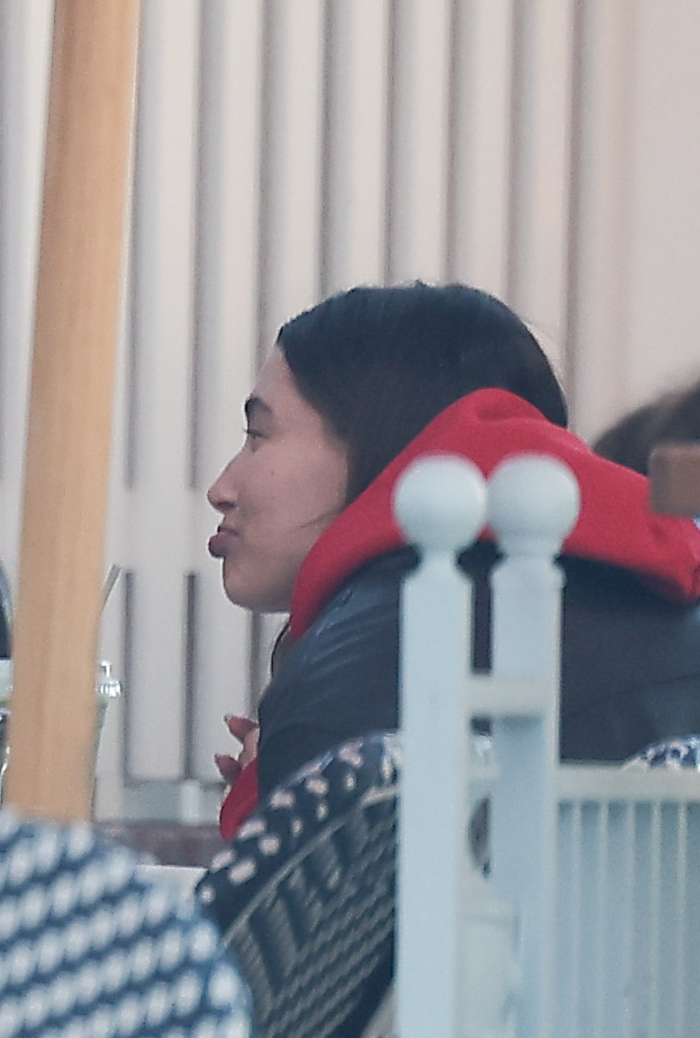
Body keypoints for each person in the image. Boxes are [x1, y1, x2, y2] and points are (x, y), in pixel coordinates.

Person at [206, 283, 700, 837]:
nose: (221, 487)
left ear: (381, 436)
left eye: (257, 433)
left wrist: (272, 800)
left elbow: (296, 922)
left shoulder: (357, 677)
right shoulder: (664, 603)